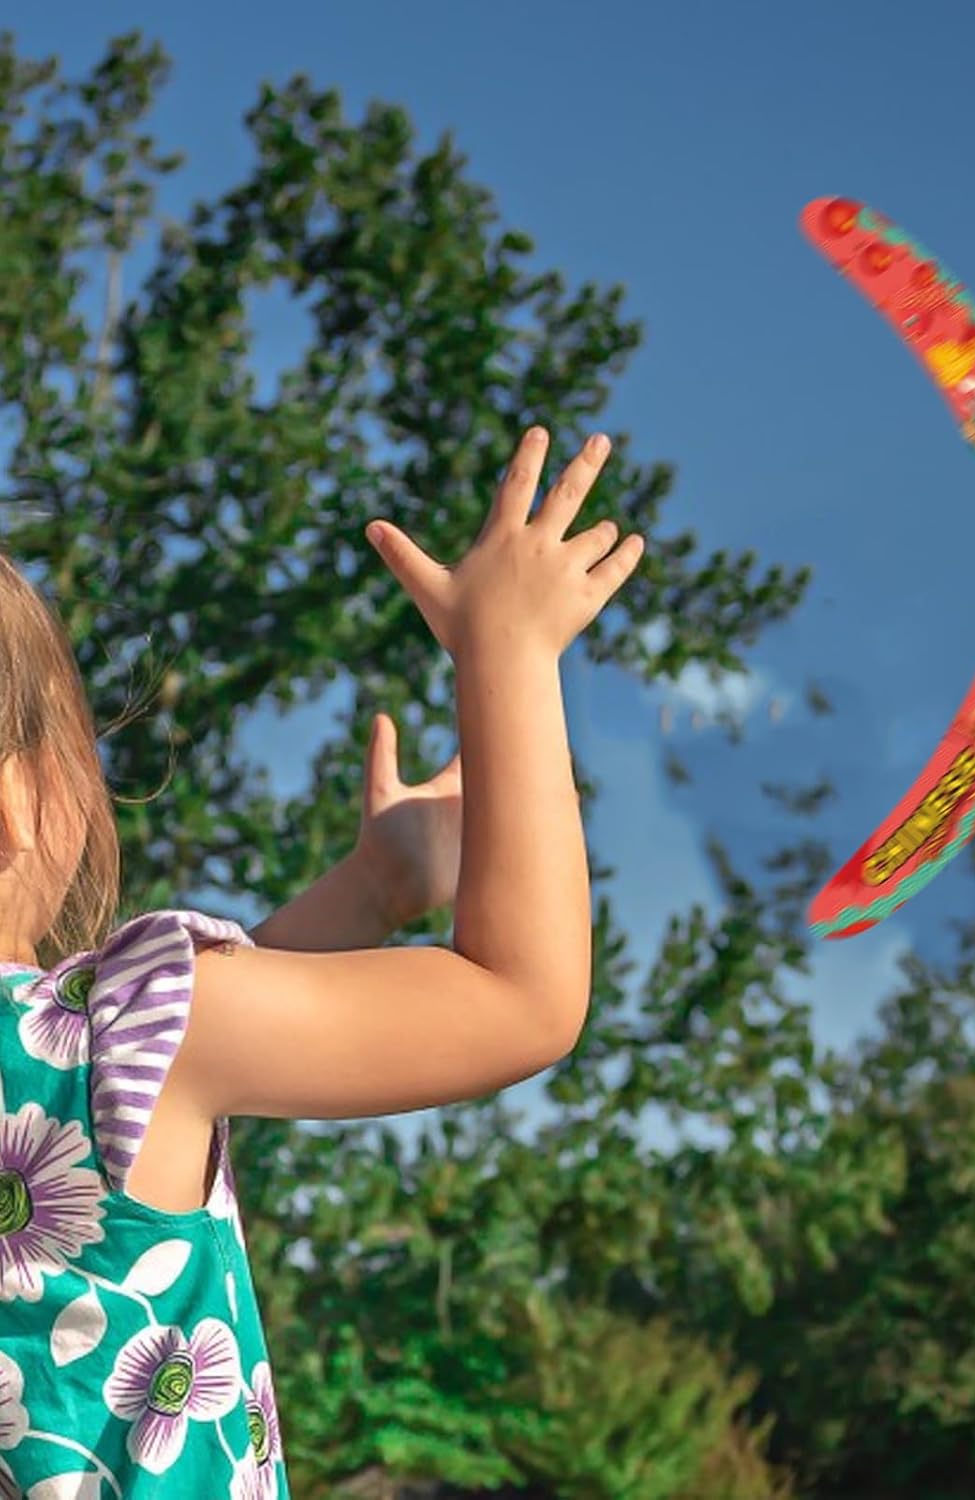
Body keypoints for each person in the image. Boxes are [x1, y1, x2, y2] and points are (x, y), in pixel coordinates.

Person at [0, 429, 642, 1498]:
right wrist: (509, 652)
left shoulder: (97, 1049)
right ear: (16, 802)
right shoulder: (114, 1033)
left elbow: (201, 1041)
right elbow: (522, 999)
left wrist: (377, 888)